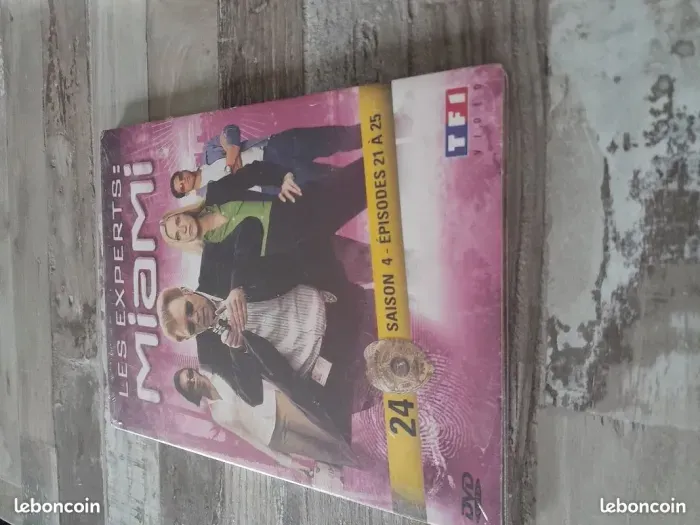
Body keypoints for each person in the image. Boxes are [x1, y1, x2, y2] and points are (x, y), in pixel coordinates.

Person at [174, 367, 360, 470]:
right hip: (274, 438)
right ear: (192, 394)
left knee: (323, 431)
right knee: (320, 452)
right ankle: (358, 464)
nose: (192, 380)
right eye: (189, 385)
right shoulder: (217, 415)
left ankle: (361, 447)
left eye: (189, 375)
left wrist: (282, 393)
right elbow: (248, 437)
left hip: (277, 406)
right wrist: (284, 460)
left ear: (194, 371)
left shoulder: (221, 373)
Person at [170, 123, 363, 198]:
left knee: (337, 137)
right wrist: (236, 174)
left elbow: (231, 130)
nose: (183, 181)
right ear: (186, 192)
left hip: (276, 147)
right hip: (275, 181)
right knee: (339, 180)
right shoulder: (209, 198)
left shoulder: (209, 152)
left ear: (183, 171)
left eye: (180, 177)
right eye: (181, 186)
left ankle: (376, 128)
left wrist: (231, 157)